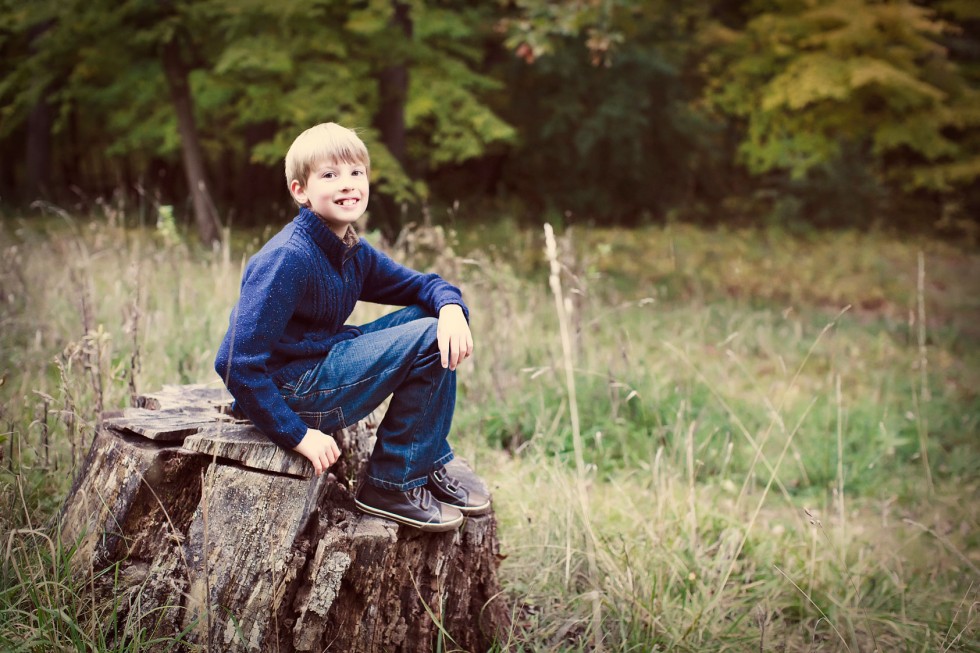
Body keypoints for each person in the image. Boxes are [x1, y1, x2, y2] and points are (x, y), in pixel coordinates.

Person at [214, 122, 489, 532]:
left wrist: (450, 306)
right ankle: (391, 484)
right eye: (330, 175)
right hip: (293, 393)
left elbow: (423, 286)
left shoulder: (349, 250)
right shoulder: (289, 258)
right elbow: (236, 362)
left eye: (356, 173)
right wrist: (297, 435)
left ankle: (424, 458)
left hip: (321, 363)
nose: (347, 185)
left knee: (429, 319)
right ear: (300, 191)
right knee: (429, 338)